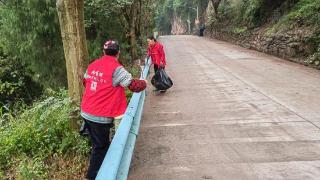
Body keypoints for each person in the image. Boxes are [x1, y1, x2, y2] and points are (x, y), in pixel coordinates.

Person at [80, 40, 147, 180]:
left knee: (97, 145)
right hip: (100, 116)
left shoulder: (92, 65)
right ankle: (93, 177)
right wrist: (145, 82)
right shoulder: (117, 69)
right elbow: (134, 86)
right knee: (101, 148)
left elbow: (85, 82)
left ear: (103, 52)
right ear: (118, 53)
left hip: (86, 112)